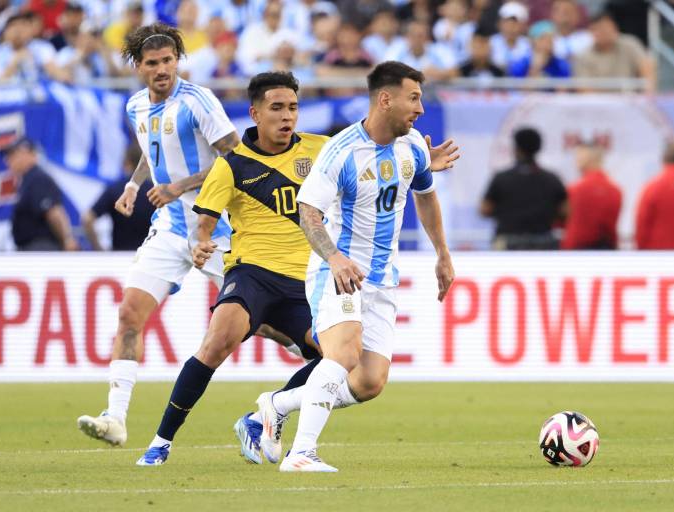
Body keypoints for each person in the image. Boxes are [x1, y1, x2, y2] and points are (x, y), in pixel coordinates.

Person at [76, 24, 305, 448]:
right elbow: (154, 148)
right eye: (152, 63)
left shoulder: (198, 101)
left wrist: (179, 187)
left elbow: (238, 156)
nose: (162, 69)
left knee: (264, 323)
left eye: (168, 61)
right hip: (169, 229)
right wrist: (133, 184)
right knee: (129, 313)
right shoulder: (135, 107)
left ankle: (311, 352)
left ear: (177, 61)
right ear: (138, 67)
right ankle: (116, 417)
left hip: (214, 228)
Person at [134, 71, 329, 466]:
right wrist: (202, 244)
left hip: (302, 284)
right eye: (277, 108)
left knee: (337, 359)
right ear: (256, 113)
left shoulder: (321, 149)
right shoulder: (232, 165)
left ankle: (264, 416)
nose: (287, 116)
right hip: (251, 273)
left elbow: (368, 160)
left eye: (293, 107)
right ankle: (160, 441)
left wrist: (426, 162)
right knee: (217, 343)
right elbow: (205, 222)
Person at [271, 61, 456, 472]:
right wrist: (334, 257)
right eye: (414, 98)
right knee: (343, 353)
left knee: (369, 382)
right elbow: (308, 212)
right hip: (338, 272)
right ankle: (301, 454)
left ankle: (276, 404)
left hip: (383, 280)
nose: (421, 109)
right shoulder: (340, 151)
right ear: (384, 99)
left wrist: (442, 253)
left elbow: (425, 194)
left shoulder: (413, 147)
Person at [480, 127, 567, 250]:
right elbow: (565, 212)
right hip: (543, 245)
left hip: (507, 244)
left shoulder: (501, 178)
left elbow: (484, 210)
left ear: (516, 148)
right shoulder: (552, 179)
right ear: (538, 148)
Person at [2, 136, 78, 251]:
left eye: (12, 154)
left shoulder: (38, 178)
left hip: (41, 248)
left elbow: (54, 212)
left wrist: (67, 240)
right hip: (32, 248)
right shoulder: (27, 180)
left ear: (28, 153)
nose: (8, 160)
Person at [82, 143, 155, 251]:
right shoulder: (155, 190)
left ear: (126, 163)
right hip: (150, 253)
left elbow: (87, 219)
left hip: (119, 255)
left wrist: (98, 248)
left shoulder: (115, 188)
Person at [574, 11, 655, 93]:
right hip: (598, 102)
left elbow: (646, 68)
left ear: (615, 27)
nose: (605, 32)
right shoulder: (584, 56)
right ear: (591, 32)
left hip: (630, 100)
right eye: (599, 29)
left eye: (607, 27)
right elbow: (583, 88)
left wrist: (647, 96)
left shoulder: (630, 45)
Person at [561, 140, 621, 249]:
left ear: (585, 158)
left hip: (576, 250)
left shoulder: (575, 190)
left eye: (578, 156)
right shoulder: (615, 190)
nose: (575, 160)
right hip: (606, 250)